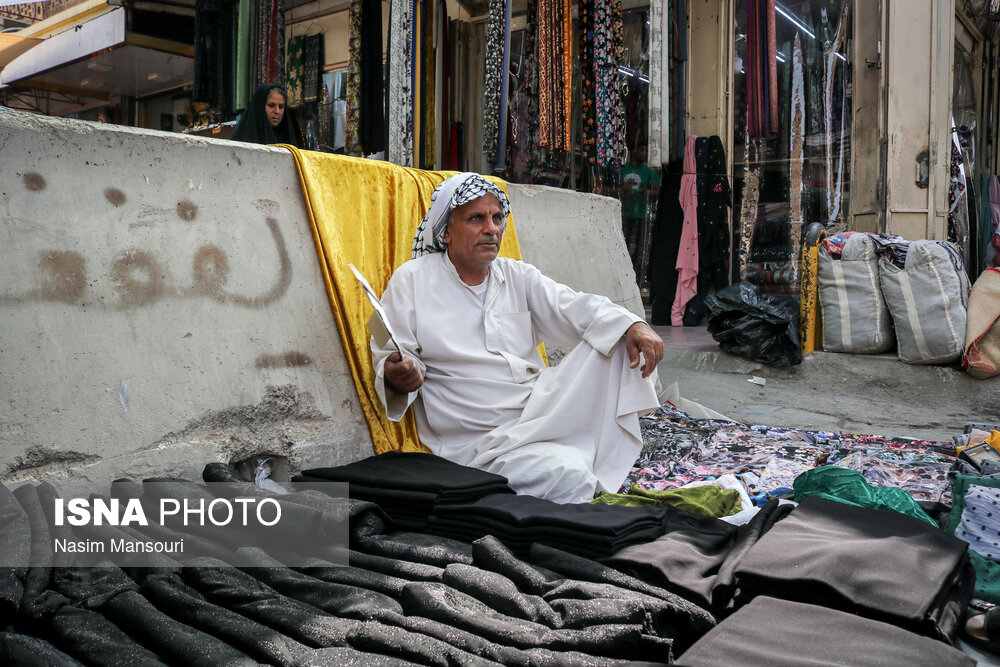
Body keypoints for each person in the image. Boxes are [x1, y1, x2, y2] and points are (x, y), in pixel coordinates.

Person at [370, 173, 664, 504]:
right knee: (568, 476)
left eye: (497, 218)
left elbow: (575, 307)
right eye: (476, 218)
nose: (491, 229)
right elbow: (394, 357)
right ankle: (576, 458)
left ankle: (576, 452)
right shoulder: (412, 281)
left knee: (615, 342)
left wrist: (634, 325)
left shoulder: (516, 275)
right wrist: (399, 375)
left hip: (541, 410)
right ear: (446, 231)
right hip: (480, 442)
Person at [618, 146, 660, 278]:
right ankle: (621, 273)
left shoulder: (650, 172)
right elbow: (613, 190)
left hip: (642, 215)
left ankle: (636, 276)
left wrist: (645, 192)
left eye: (646, 151)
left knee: (639, 248)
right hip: (624, 214)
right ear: (633, 150)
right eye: (641, 149)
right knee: (622, 244)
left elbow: (657, 193)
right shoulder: (622, 171)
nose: (644, 153)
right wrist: (623, 190)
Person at [230, 83, 301, 147]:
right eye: (271, 105)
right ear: (260, 107)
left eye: (281, 107)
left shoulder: (289, 138)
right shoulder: (242, 138)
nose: (277, 111)